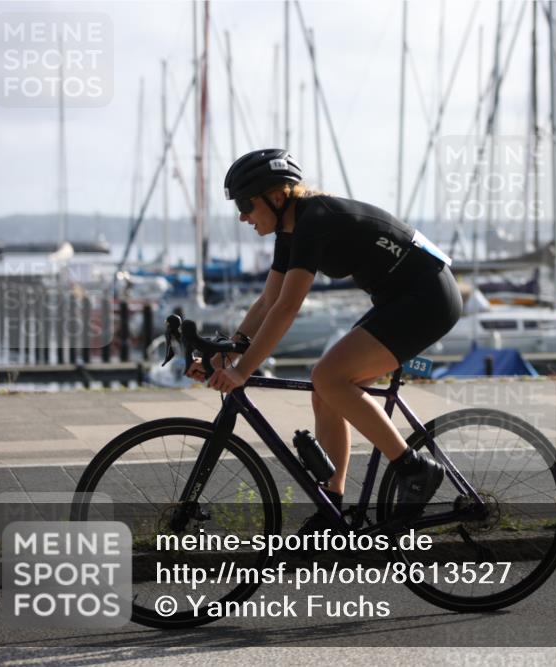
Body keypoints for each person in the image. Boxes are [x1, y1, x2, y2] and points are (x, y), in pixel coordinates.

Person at [187, 148, 463, 532]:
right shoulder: (291, 230)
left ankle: (415, 469)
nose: (242, 216)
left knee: (329, 377)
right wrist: (230, 353)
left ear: (277, 196)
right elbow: (268, 301)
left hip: (429, 298)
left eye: (246, 205)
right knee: (326, 390)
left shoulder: (315, 220)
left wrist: (243, 370)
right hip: (399, 298)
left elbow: (287, 307)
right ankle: (332, 507)